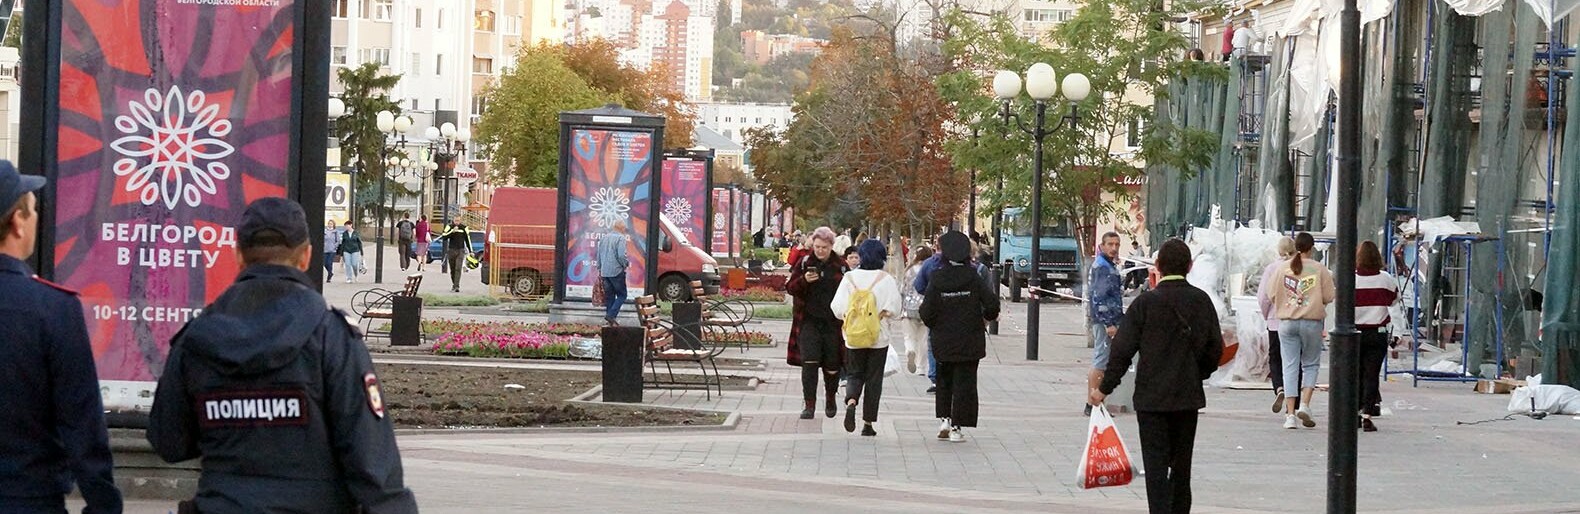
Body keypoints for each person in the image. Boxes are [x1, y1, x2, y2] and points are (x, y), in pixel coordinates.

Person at [147, 197, 417, 513]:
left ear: (238, 256)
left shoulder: (196, 337)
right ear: (306, 257)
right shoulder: (331, 336)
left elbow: (169, 440)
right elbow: (374, 466)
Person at [0, 161, 123, 513]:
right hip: (28, 500)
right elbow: (83, 426)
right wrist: (103, 506)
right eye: (32, 210)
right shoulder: (52, 309)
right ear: (17, 223)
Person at [1090, 238, 1223, 514]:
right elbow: (1215, 348)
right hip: (1186, 396)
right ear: (1190, 266)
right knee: (1181, 466)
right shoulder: (1201, 301)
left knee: (1155, 465)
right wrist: (1198, 372)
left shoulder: (1145, 304)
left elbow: (1122, 351)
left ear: (1158, 266)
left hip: (1151, 399)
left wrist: (1104, 388)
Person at [920, 231, 999, 443]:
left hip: (943, 338)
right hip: (969, 338)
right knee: (965, 383)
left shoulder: (937, 277)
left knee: (944, 379)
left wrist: (935, 324)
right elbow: (992, 304)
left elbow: (926, 311)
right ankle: (957, 427)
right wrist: (985, 318)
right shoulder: (973, 276)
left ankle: (944, 419)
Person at [830, 239, 903, 436]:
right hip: (878, 337)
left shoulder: (850, 278)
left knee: (854, 373)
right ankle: (868, 423)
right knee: (874, 379)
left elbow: (836, 308)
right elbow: (896, 309)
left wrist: (849, 316)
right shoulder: (886, 280)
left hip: (853, 336)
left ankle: (852, 400)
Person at [1274, 232, 1335, 429]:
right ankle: (1305, 404)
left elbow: (1271, 293)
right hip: (1311, 321)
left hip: (1287, 322)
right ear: (1312, 247)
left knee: (1289, 366)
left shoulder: (1282, 268)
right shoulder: (1319, 269)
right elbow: (1329, 295)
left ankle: (1290, 415)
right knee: (1310, 364)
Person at [786, 227, 847, 420]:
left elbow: (850, 291)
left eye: (824, 247)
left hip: (833, 323)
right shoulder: (805, 262)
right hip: (808, 321)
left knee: (832, 365)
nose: (820, 251)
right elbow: (790, 287)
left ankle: (830, 397)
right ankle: (809, 405)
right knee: (809, 363)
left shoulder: (841, 266)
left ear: (831, 246)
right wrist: (804, 280)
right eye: (817, 247)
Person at [1355, 240, 1398, 432]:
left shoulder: (1351, 279)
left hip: (1354, 334)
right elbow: (1394, 300)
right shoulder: (1386, 279)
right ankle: (1367, 415)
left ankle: (1354, 413)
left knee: (1355, 374)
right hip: (1377, 333)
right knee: (1372, 374)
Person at [1257, 236, 1300, 414]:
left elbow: (1263, 296)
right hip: (1297, 318)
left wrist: (1268, 315)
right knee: (1295, 359)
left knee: (1275, 357)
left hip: (1276, 320)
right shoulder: (1300, 267)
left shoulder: (1272, 269)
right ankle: (1295, 401)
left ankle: (1279, 387)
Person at [1087, 232, 1125, 416]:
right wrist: (1108, 323)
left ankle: (1096, 402)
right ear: (1102, 246)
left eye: (1117, 244)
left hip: (1109, 318)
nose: (1114, 248)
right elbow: (1099, 296)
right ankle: (1093, 403)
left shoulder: (1107, 265)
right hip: (1105, 321)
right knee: (1101, 360)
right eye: (1110, 244)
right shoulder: (1103, 267)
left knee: (1104, 359)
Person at [899, 246, 934, 378]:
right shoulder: (931, 269)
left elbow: (902, 289)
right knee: (924, 339)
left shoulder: (908, 271)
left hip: (908, 308)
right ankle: (921, 367)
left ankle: (910, 350)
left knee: (909, 336)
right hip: (925, 307)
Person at [597, 220, 631, 326]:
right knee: (622, 295)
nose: (625, 230)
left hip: (605, 272)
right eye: (624, 228)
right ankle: (611, 315)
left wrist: (600, 268)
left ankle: (609, 322)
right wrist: (625, 264)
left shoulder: (604, 238)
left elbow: (598, 255)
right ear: (621, 228)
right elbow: (621, 255)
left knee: (610, 296)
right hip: (616, 271)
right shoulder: (620, 238)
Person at [440, 222, 472, 292]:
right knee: (453, 269)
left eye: (458, 220)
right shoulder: (449, 226)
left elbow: (468, 239)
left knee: (458, 268)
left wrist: (471, 251)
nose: (457, 222)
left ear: (460, 220)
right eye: (455, 220)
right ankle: (454, 284)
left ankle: (456, 286)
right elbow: (444, 236)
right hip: (451, 250)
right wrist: (452, 231)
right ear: (453, 220)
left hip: (460, 250)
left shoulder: (464, 227)